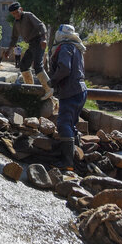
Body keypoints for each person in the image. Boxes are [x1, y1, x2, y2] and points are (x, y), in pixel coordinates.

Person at [48, 24, 87, 171]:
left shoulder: (65, 47)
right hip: (81, 90)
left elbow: (64, 68)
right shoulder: (77, 47)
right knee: (72, 123)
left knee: (64, 123)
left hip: (70, 90)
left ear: (60, 34)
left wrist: (53, 80)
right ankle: (77, 155)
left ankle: (67, 162)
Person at [2, 2, 54, 100]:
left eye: (17, 12)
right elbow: (14, 38)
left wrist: (44, 38)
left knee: (38, 66)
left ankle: (49, 89)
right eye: (13, 14)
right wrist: (9, 50)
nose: (15, 15)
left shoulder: (28, 15)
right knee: (23, 65)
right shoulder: (16, 23)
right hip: (31, 44)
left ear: (21, 9)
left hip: (39, 42)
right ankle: (30, 87)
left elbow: (41, 25)